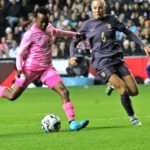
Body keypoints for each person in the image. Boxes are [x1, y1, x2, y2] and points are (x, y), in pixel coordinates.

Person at [0, 7, 89, 131]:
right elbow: (20, 53)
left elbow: (58, 32)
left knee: (64, 92)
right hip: (29, 70)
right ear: (35, 20)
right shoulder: (30, 34)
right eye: (41, 21)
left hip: (46, 69)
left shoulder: (49, 27)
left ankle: (72, 123)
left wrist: (76, 35)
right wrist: (20, 69)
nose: (44, 24)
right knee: (12, 96)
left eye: (46, 21)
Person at [69, 0, 150, 126]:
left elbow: (128, 32)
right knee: (122, 89)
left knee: (134, 91)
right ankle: (133, 118)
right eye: (95, 8)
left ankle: (112, 85)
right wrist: (72, 56)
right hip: (101, 63)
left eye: (100, 7)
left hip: (117, 60)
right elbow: (73, 42)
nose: (97, 10)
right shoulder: (86, 25)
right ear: (91, 8)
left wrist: (143, 45)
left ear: (104, 8)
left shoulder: (112, 20)